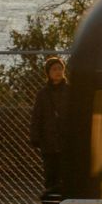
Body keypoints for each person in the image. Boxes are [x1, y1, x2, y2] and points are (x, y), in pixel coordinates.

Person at [30, 56, 69, 192]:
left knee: (66, 175)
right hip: (49, 141)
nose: (58, 72)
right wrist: (35, 137)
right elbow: (37, 116)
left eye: (60, 68)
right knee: (50, 176)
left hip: (67, 140)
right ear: (48, 73)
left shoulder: (70, 91)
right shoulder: (43, 94)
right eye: (54, 69)